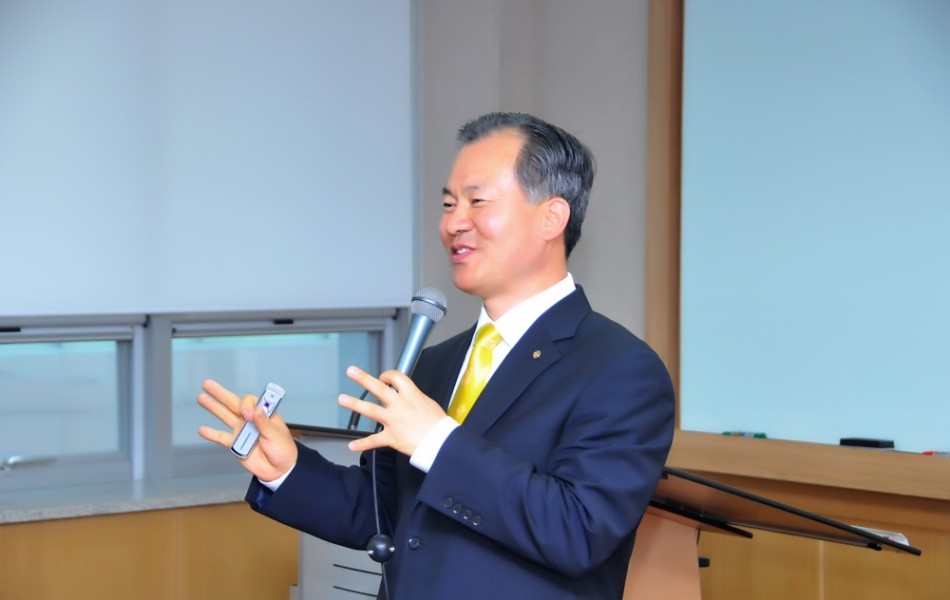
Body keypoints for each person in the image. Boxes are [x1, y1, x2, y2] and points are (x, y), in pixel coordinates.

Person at [198, 111, 675, 600]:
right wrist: (286, 469)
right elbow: (384, 513)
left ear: (552, 217)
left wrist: (436, 441)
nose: (453, 223)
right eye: (448, 204)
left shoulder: (622, 370)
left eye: (477, 201)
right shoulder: (436, 362)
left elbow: (578, 530)